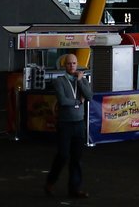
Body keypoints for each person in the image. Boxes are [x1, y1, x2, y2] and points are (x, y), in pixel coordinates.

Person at [45, 52, 92, 198]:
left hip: (79, 124)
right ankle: (50, 181)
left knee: (76, 158)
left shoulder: (82, 80)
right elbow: (63, 101)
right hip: (65, 124)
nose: (72, 66)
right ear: (64, 65)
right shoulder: (59, 81)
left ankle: (74, 189)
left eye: (74, 63)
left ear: (77, 65)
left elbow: (89, 96)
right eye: (69, 63)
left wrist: (80, 81)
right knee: (63, 155)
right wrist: (78, 102)